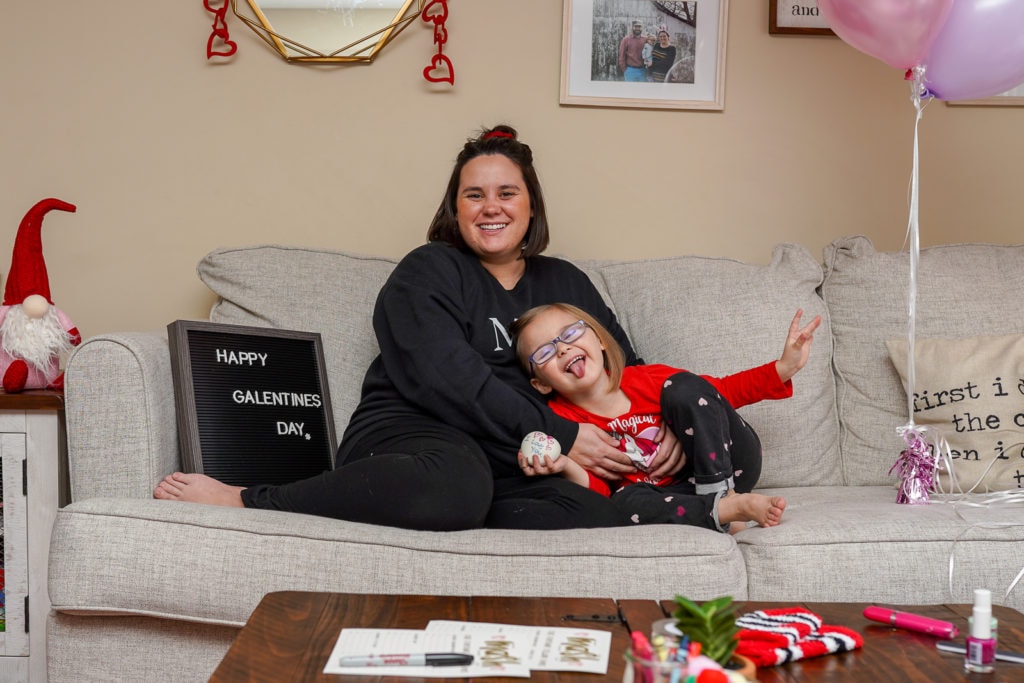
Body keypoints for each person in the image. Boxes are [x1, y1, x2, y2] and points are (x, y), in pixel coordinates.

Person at [154, 124, 685, 531]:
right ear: (456, 209)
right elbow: (445, 377)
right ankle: (249, 500)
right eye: (474, 195)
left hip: (516, 458)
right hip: (413, 434)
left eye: (507, 192)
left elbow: (628, 368)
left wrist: (662, 431)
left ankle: (470, 505)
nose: (491, 207)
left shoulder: (565, 281)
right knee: (454, 483)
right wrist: (565, 434)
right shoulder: (428, 269)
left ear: (531, 205)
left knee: (593, 511)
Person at [510, 302, 822, 532]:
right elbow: (601, 490)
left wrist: (785, 367)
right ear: (541, 383)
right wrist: (565, 466)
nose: (563, 348)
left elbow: (720, 392)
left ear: (601, 341)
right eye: (545, 353)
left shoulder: (646, 379)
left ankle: (721, 496)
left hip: (729, 465)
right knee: (620, 504)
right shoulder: (563, 423)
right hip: (673, 495)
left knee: (684, 387)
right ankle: (726, 510)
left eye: (569, 334)